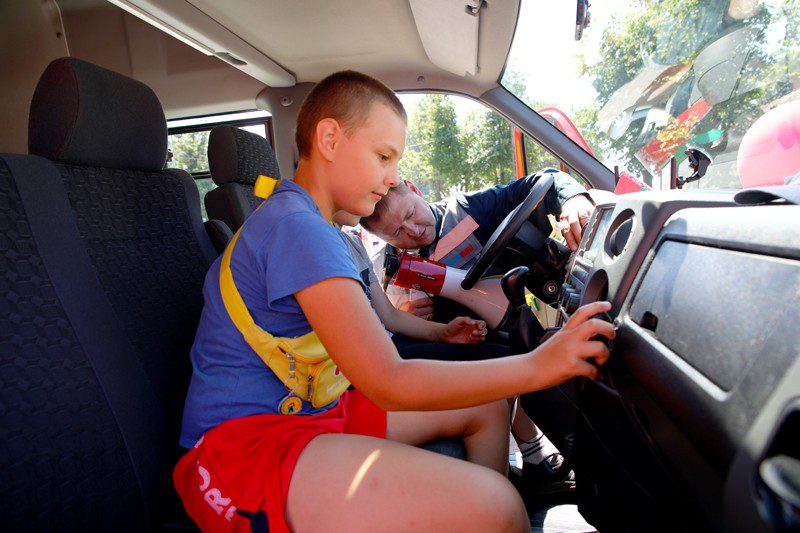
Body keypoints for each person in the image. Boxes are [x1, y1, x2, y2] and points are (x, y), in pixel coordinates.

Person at [173, 70, 614, 533]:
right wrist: (541, 365)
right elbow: (388, 380)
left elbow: (379, 323)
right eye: (383, 156)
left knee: (487, 409)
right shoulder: (296, 228)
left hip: (313, 409)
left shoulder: (311, 224)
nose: (393, 177)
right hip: (243, 448)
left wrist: (455, 337)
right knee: (499, 506)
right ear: (329, 139)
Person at [361, 173, 595, 319]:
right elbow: (384, 329)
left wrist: (572, 199)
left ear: (414, 190)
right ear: (382, 239)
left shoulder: (467, 209)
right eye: (396, 232)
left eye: (411, 213)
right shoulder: (383, 275)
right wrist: (405, 319)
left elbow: (545, 180)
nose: (413, 230)